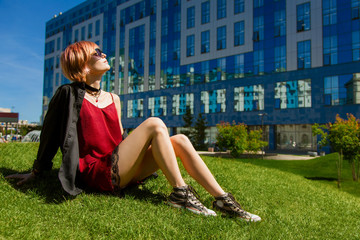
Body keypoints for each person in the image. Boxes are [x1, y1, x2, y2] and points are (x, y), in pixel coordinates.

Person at [6, 41, 261, 222]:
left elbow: (120, 141)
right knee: (153, 123)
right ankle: (180, 193)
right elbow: (49, 133)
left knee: (180, 139)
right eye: (96, 53)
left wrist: (147, 153)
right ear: (83, 66)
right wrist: (37, 171)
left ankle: (223, 200)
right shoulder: (67, 94)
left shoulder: (114, 99)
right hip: (95, 171)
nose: (103, 54)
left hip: (118, 166)